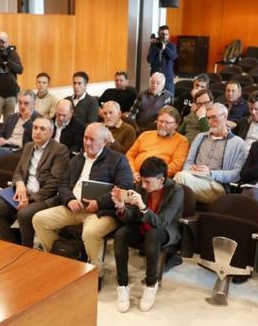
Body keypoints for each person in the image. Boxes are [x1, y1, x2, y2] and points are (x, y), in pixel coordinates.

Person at [32, 123, 134, 276]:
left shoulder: (118, 160)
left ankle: (95, 274)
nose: (87, 142)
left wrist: (98, 203)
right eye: (85, 138)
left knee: (90, 232)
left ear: (104, 142)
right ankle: (59, 257)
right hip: (75, 207)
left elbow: (124, 187)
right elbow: (63, 184)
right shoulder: (77, 159)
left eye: (92, 139)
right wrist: (69, 200)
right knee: (39, 219)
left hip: (102, 212)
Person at [112, 157, 184, 313]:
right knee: (120, 234)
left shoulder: (176, 190)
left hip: (164, 231)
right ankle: (122, 285)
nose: (143, 186)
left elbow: (162, 222)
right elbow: (131, 217)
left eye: (147, 182)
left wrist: (143, 207)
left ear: (161, 180)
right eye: (142, 181)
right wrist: (122, 208)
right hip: (142, 226)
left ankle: (151, 284)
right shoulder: (141, 187)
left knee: (153, 233)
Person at [0, 118, 69, 247]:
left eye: (42, 129)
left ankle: (26, 249)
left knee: (24, 214)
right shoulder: (29, 146)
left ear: (51, 133)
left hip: (44, 197)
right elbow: (18, 171)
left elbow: (54, 183)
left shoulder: (60, 150)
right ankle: (12, 245)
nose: (37, 132)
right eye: (35, 128)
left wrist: (30, 199)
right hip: (23, 192)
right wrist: (19, 184)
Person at [174, 103, 247, 204]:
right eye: (208, 118)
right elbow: (189, 161)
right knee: (175, 180)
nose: (210, 122)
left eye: (213, 117)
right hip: (192, 177)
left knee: (179, 178)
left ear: (225, 117)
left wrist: (211, 173)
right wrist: (190, 169)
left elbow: (236, 174)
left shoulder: (238, 143)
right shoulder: (200, 137)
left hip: (216, 185)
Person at [125, 106, 189, 180]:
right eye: (160, 121)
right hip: (133, 175)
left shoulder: (182, 141)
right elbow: (129, 155)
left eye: (167, 122)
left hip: (156, 180)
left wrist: (149, 177)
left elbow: (176, 166)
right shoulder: (145, 134)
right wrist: (132, 172)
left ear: (176, 125)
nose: (162, 125)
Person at [0, 31, 23, 123]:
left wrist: (8, 61)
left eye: (4, 42)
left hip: (11, 95)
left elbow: (20, 70)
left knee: (9, 123)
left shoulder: (13, 54)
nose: (2, 44)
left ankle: (6, 138)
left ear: (8, 42)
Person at [147, 25, 178, 94]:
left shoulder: (171, 45)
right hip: (155, 77)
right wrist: (157, 47)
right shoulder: (154, 45)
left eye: (166, 34)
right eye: (162, 34)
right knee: (154, 98)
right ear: (158, 34)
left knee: (169, 97)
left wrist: (165, 48)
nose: (164, 36)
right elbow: (149, 59)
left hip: (168, 78)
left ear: (169, 35)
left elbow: (174, 57)